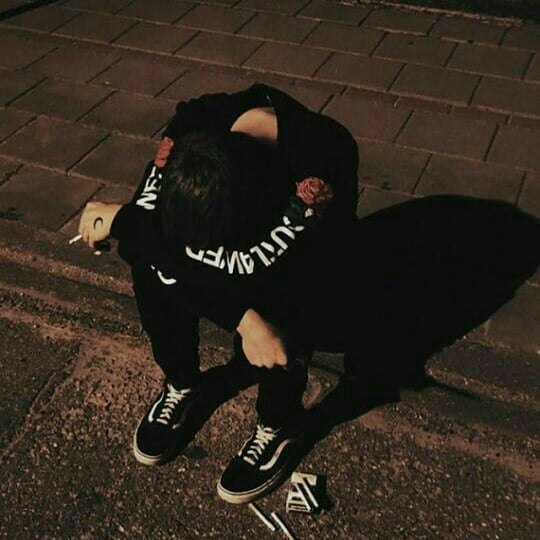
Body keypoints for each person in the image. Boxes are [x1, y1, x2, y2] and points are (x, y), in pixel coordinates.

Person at [78, 82, 359, 504]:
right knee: (153, 273)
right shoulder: (191, 131)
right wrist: (241, 317)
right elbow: (149, 243)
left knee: (284, 320)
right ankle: (182, 381)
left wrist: (126, 221)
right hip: (234, 259)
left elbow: (292, 272)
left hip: (298, 266)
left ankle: (279, 423)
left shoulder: (321, 163)